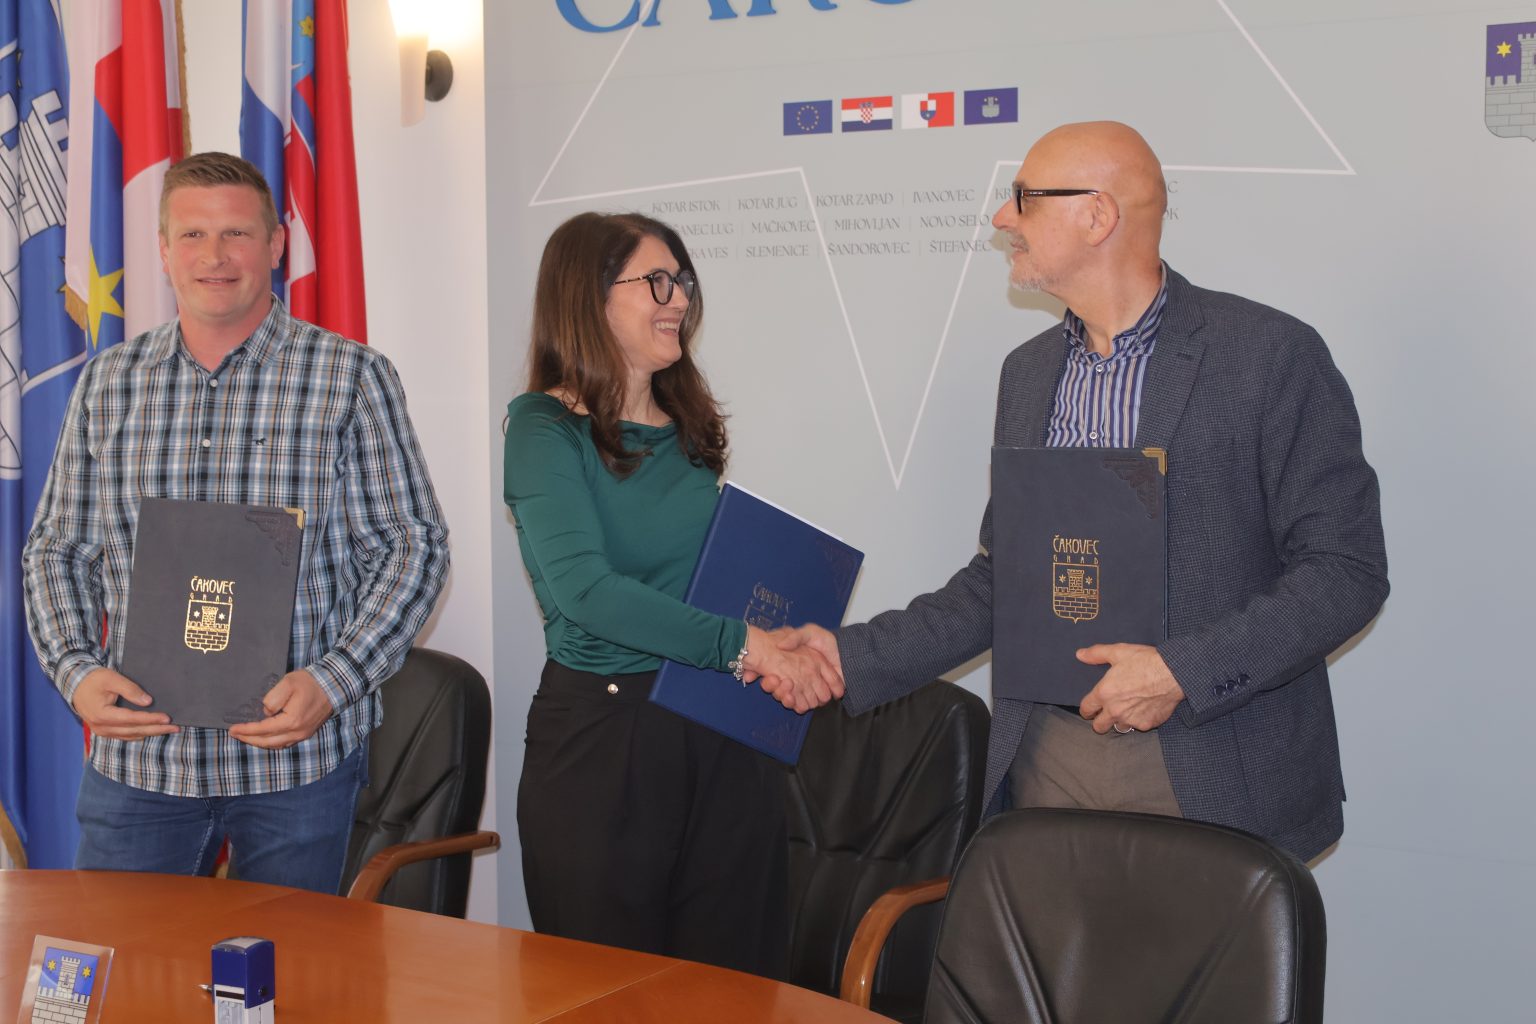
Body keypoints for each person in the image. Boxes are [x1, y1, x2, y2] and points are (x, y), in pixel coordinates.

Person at [776, 121, 1388, 862]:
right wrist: (847, 657)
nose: (1002, 217)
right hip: (1046, 759)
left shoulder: (1269, 356)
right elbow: (1007, 581)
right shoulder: (1028, 373)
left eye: (1023, 198)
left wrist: (1179, 674)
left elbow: (1345, 572)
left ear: (1097, 215)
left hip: (1208, 767)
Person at [21, 152, 449, 893]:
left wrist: (335, 681)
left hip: (296, 766)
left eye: (236, 234)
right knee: (125, 960)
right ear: (162, 250)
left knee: (287, 965)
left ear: (276, 244)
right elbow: (58, 549)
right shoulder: (109, 382)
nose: (213, 256)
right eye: (191, 235)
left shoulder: (351, 377)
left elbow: (413, 549)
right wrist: (75, 671)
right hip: (142, 765)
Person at [503, 211, 840, 978]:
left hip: (722, 728)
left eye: (682, 280)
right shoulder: (543, 430)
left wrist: (783, 643)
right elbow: (588, 593)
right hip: (605, 744)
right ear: (587, 298)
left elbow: (702, 587)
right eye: (655, 282)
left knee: (733, 988)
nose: (679, 298)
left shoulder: (688, 427)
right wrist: (749, 645)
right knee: (609, 994)